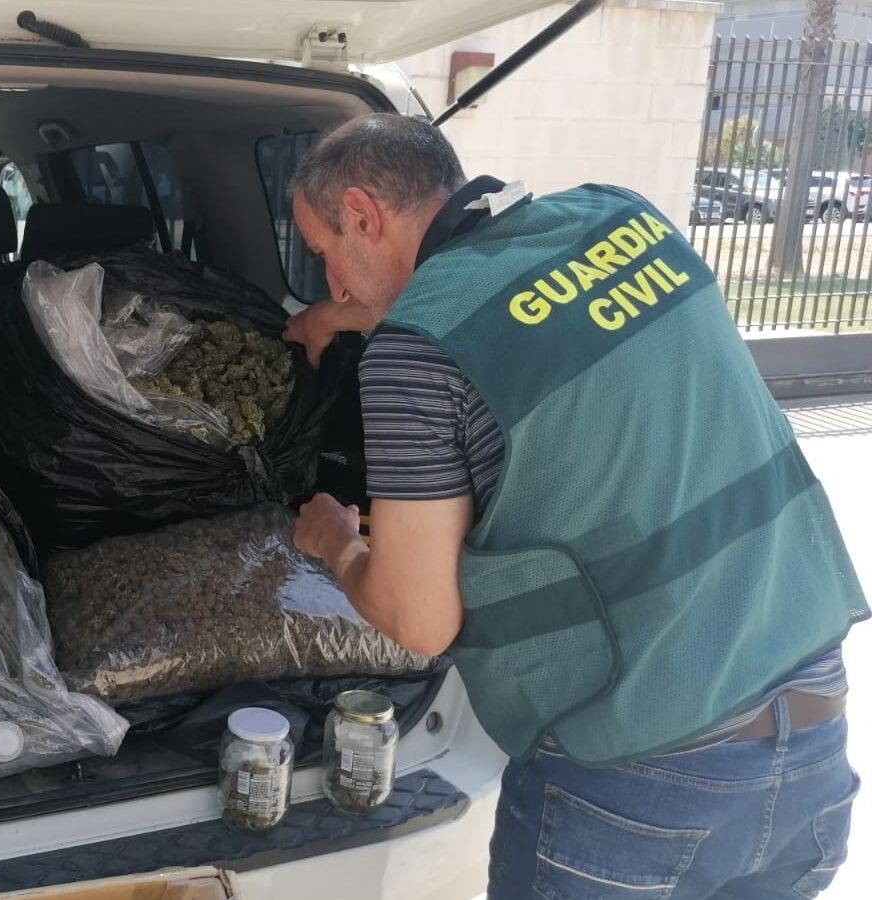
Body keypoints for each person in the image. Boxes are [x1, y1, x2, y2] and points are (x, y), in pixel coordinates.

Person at [284, 114, 865, 900]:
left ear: (362, 214)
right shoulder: (623, 219)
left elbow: (419, 621)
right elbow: (524, 311)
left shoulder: (412, 354)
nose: (332, 285)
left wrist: (337, 543)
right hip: (812, 742)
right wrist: (342, 318)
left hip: (635, 780)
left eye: (322, 253)